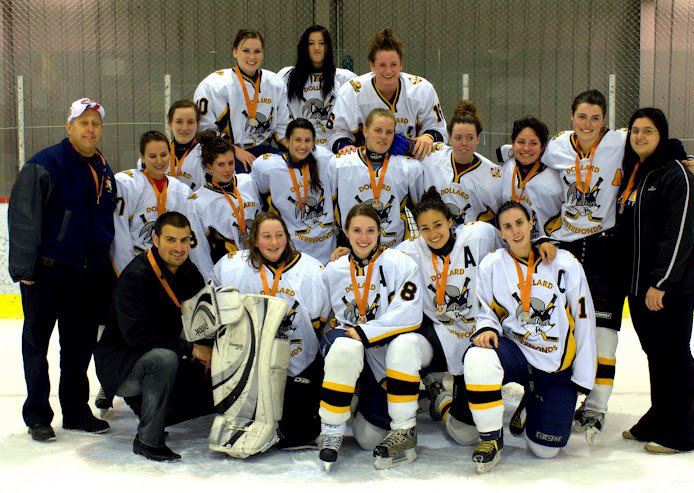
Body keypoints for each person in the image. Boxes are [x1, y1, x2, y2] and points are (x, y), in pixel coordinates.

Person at [8, 98, 115, 442]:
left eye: (95, 123)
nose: (90, 129)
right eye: (82, 122)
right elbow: (23, 217)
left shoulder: (103, 167)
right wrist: (24, 267)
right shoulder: (45, 164)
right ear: (68, 127)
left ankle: (76, 411)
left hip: (86, 275)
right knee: (36, 345)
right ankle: (38, 415)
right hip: (45, 273)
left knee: (79, 346)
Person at [463, 201, 596, 473]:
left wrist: (583, 376)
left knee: (545, 450)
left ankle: (530, 404)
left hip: (554, 361)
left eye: (520, 223)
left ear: (531, 222)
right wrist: (487, 327)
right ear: (500, 232)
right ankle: (490, 438)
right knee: (478, 356)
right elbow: (484, 309)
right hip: (517, 352)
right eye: (508, 227)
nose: (515, 231)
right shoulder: (492, 264)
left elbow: (584, 320)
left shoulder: (564, 262)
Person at [388, 188, 501, 464]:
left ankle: (443, 400)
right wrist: (344, 254)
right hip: (439, 333)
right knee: (403, 346)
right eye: (425, 228)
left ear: (451, 221)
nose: (433, 234)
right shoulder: (409, 251)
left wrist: (542, 242)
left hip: (477, 337)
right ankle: (403, 430)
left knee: (464, 435)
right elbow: (372, 262)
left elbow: (515, 245)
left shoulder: (479, 235)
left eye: (438, 225)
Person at [95, 212, 214, 462]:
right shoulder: (135, 277)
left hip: (160, 353)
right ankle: (148, 440)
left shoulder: (189, 273)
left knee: (202, 370)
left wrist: (205, 349)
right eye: (171, 240)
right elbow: (138, 337)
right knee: (164, 359)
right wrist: (191, 350)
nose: (178, 248)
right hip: (121, 364)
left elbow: (202, 323)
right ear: (155, 239)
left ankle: (149, 408)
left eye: (184, 240)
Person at [317, 204, 423, 471]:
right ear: (346, 232)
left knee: (368, 439)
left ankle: (355, 399)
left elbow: (409, 313)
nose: (363, 238)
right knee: (345, 347)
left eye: (370, 231)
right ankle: (332, 427)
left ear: (379, 232)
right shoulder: (334, 269)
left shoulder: (401, 264)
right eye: (357, 231)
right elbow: (320, 315)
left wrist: (365, 332)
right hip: (349, 341)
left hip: (381, 352)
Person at [214, 212, 330, 450]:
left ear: (287, 237)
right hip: (250, 363)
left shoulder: (310, 270)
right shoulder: (233, 266)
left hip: (298, 361)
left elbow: (319, 321)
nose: (274, 243)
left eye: (279, 236)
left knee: (297, 434)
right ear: (255, 240)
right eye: (266, 236)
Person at [617, 108, 694, 454]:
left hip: (667, 290)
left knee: (674, 354)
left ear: (661, 135)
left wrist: (661, 282)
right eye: (635, 131)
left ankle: (683, 429)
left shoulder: (675, 173)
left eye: (648, 131)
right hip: (639, 287)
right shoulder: (639, 171)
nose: (640, 137)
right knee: (655, 353)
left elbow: (679, 234)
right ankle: (661, 414)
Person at [326, 28, 446, 160]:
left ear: (401, 64)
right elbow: (335, 132)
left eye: (393, 64)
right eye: (382, 65)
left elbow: (439, 129)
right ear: (372, 65)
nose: (388, 71)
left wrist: (428, 137)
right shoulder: (352, 91)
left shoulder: (422, 89)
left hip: (412, 163)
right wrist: (344, 146)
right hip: (366, 164)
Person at [194, 29, 289, 172]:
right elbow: (203, 131)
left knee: (289, 169)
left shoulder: (275, 83)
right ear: (234, 52)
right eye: (246, 50)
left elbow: (282, 128)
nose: (252, 56)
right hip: (227, 153)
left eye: (257, 51)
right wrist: (234, 150)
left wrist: (294, 153)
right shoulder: (214, 84)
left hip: (264, 152)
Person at [328, 108, 423, 248]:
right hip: (351, 249)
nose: (383, 136)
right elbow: (330, 208)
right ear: (365, 131)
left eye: (389, 132)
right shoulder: (340, 164)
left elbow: (422, 210)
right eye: (378, 130)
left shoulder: (409, 167)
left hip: (394, 249)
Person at [251, 119, 337, 265]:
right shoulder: (269, 167)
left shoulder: (325, 159)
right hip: (293, 250)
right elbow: (257, 195)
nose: (303, 146)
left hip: (327, 248)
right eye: (297, 140)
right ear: (286, 140)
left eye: (308, 140)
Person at [111, 131, 194, 275]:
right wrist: (126, 273)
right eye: (152, 156)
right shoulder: (128, 184)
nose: (159, 161)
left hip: (170, 263)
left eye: (163, 155)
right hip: (138, 262)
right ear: (142, 157)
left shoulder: (182, 190)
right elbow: (120, 234)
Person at [187, 131, 261, 282]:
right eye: (220, 164)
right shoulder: (197, 202)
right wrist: (211, 282)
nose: (228, 169)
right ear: (208, 166)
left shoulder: (247, 182)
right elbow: (198, 250)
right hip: (227, 269)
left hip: (257, 263)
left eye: (231, 163)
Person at [421, 101, 502, 225]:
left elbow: (503, 213)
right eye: (458, 137)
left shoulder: (493, 175)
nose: (464, 143)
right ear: (449, 137)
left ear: (478, 139)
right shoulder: (432, 155)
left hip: (470, 240)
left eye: (470, 138)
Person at [278, 26, 357, 149]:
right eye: (311, 43)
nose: (316, 48)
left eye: (321, 43)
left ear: (328, 47)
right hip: (299, 147)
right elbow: (280, 115)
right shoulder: (287, 76)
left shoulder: (344, 78)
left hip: (335, 145)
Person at [499, 116, 563, 240]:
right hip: (512, 242)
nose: (526, 148)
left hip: (546, 245)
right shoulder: (507, 168)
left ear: (543, 147)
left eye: (533, 143)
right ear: (513, 143)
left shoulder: (555, 176)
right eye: (521, 142)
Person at [166, 99, 205, 190]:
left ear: (198, 124)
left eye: (190, 122)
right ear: (170, 123)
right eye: (179, 122)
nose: (185, 128)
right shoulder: (159, 152)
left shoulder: (207, 152)